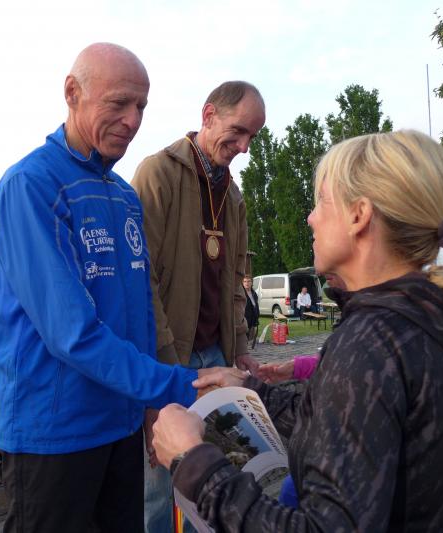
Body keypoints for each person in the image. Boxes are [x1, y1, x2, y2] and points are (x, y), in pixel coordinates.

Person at [150, 130, 443, 531]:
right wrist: (252, 392)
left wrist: (194, 464)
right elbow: (355, 425)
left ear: (359, 215)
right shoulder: (438, 322)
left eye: (322, 201)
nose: (311, 217)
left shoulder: (373, 345)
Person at [0, 43, 198, 532]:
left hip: (120, 425)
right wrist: (179, 384)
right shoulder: (32, 185)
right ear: (72, 93)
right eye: (119, 103)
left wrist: (150, 403)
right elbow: (71, 332)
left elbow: (140, 315)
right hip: (55, 434)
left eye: (141, 106)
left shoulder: (123, 195)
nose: (133, 120)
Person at [131, 80, 265, 533]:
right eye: (238, 131)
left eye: (252, 137)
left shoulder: (234, 195)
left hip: (216, 360)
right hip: (168, 359)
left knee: (211, 478)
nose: (244, 147)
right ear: (208, 115)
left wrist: (240, 348)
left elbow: (236, 280)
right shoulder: (158, 173)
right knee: (157, 487)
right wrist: (163, 369)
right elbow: (140, 281)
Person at [242, 276, 259, 348]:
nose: (247, 283)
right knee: (243, 335)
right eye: (245, 281)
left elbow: (255, 305)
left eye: (249, 281)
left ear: (252, 283)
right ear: (242, 283)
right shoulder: (241, 293)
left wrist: (257, 315)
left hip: (252, 317)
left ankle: (245, 348)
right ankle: (243, 349)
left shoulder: (254, 293)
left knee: (249, 334)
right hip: (244, 317)